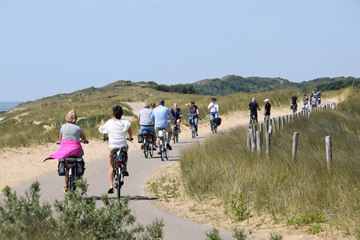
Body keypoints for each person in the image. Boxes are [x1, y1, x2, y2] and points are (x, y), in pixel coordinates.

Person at [44, 110, 88, 192]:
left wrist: (59, 142)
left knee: (64, 163)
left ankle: (65, 185)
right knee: (81, 154)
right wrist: (85, 141)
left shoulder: (63, 127)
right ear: (75, 119)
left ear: (67, 118)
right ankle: (78, 174)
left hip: (65, 150)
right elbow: (83, 138)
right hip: (76, 150)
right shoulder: (78, 128)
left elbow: (60, 139)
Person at [99, 105, 133, 194]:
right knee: (125, 151)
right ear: (122, 113)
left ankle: (111, 185)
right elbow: (130, 131)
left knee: (111, 166)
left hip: (113, 146)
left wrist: (104, 138)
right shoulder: (124, 122)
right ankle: (124, 168)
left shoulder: (109, 122)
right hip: (122, 144)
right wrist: (130, 137)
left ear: (113, 113)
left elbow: (104, 132)